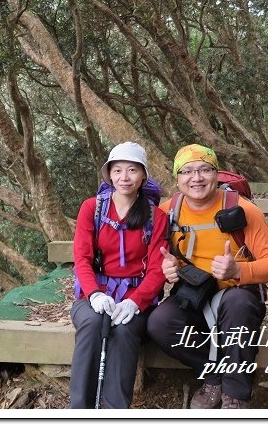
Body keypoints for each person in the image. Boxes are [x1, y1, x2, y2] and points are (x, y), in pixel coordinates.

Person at [147, 144, 268, 409]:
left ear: (216, 174)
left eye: (204, 170)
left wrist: (239, 270)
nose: (196, 178)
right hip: (195, 292)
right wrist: (167, 270)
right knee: (159, 322)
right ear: (177, 179)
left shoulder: (243, 210)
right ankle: (214, 374)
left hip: (238, 295)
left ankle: (236, 395)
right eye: (187, 171)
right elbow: (159, 256)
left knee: (237, 304)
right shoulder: (168, 212)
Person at [69, 142, 169, 409]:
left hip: (136, 298)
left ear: (144, 175)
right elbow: (82, 257)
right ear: (109, 175)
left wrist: (136, 301)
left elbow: (158, 267)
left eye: (133, 170)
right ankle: (79, 409)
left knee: (125, 331)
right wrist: (94, 293)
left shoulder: (155, 217)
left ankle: (114, 411)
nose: (125, 177)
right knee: (91, 323)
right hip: (93, 295)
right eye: (118, 170)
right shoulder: (92, 208)